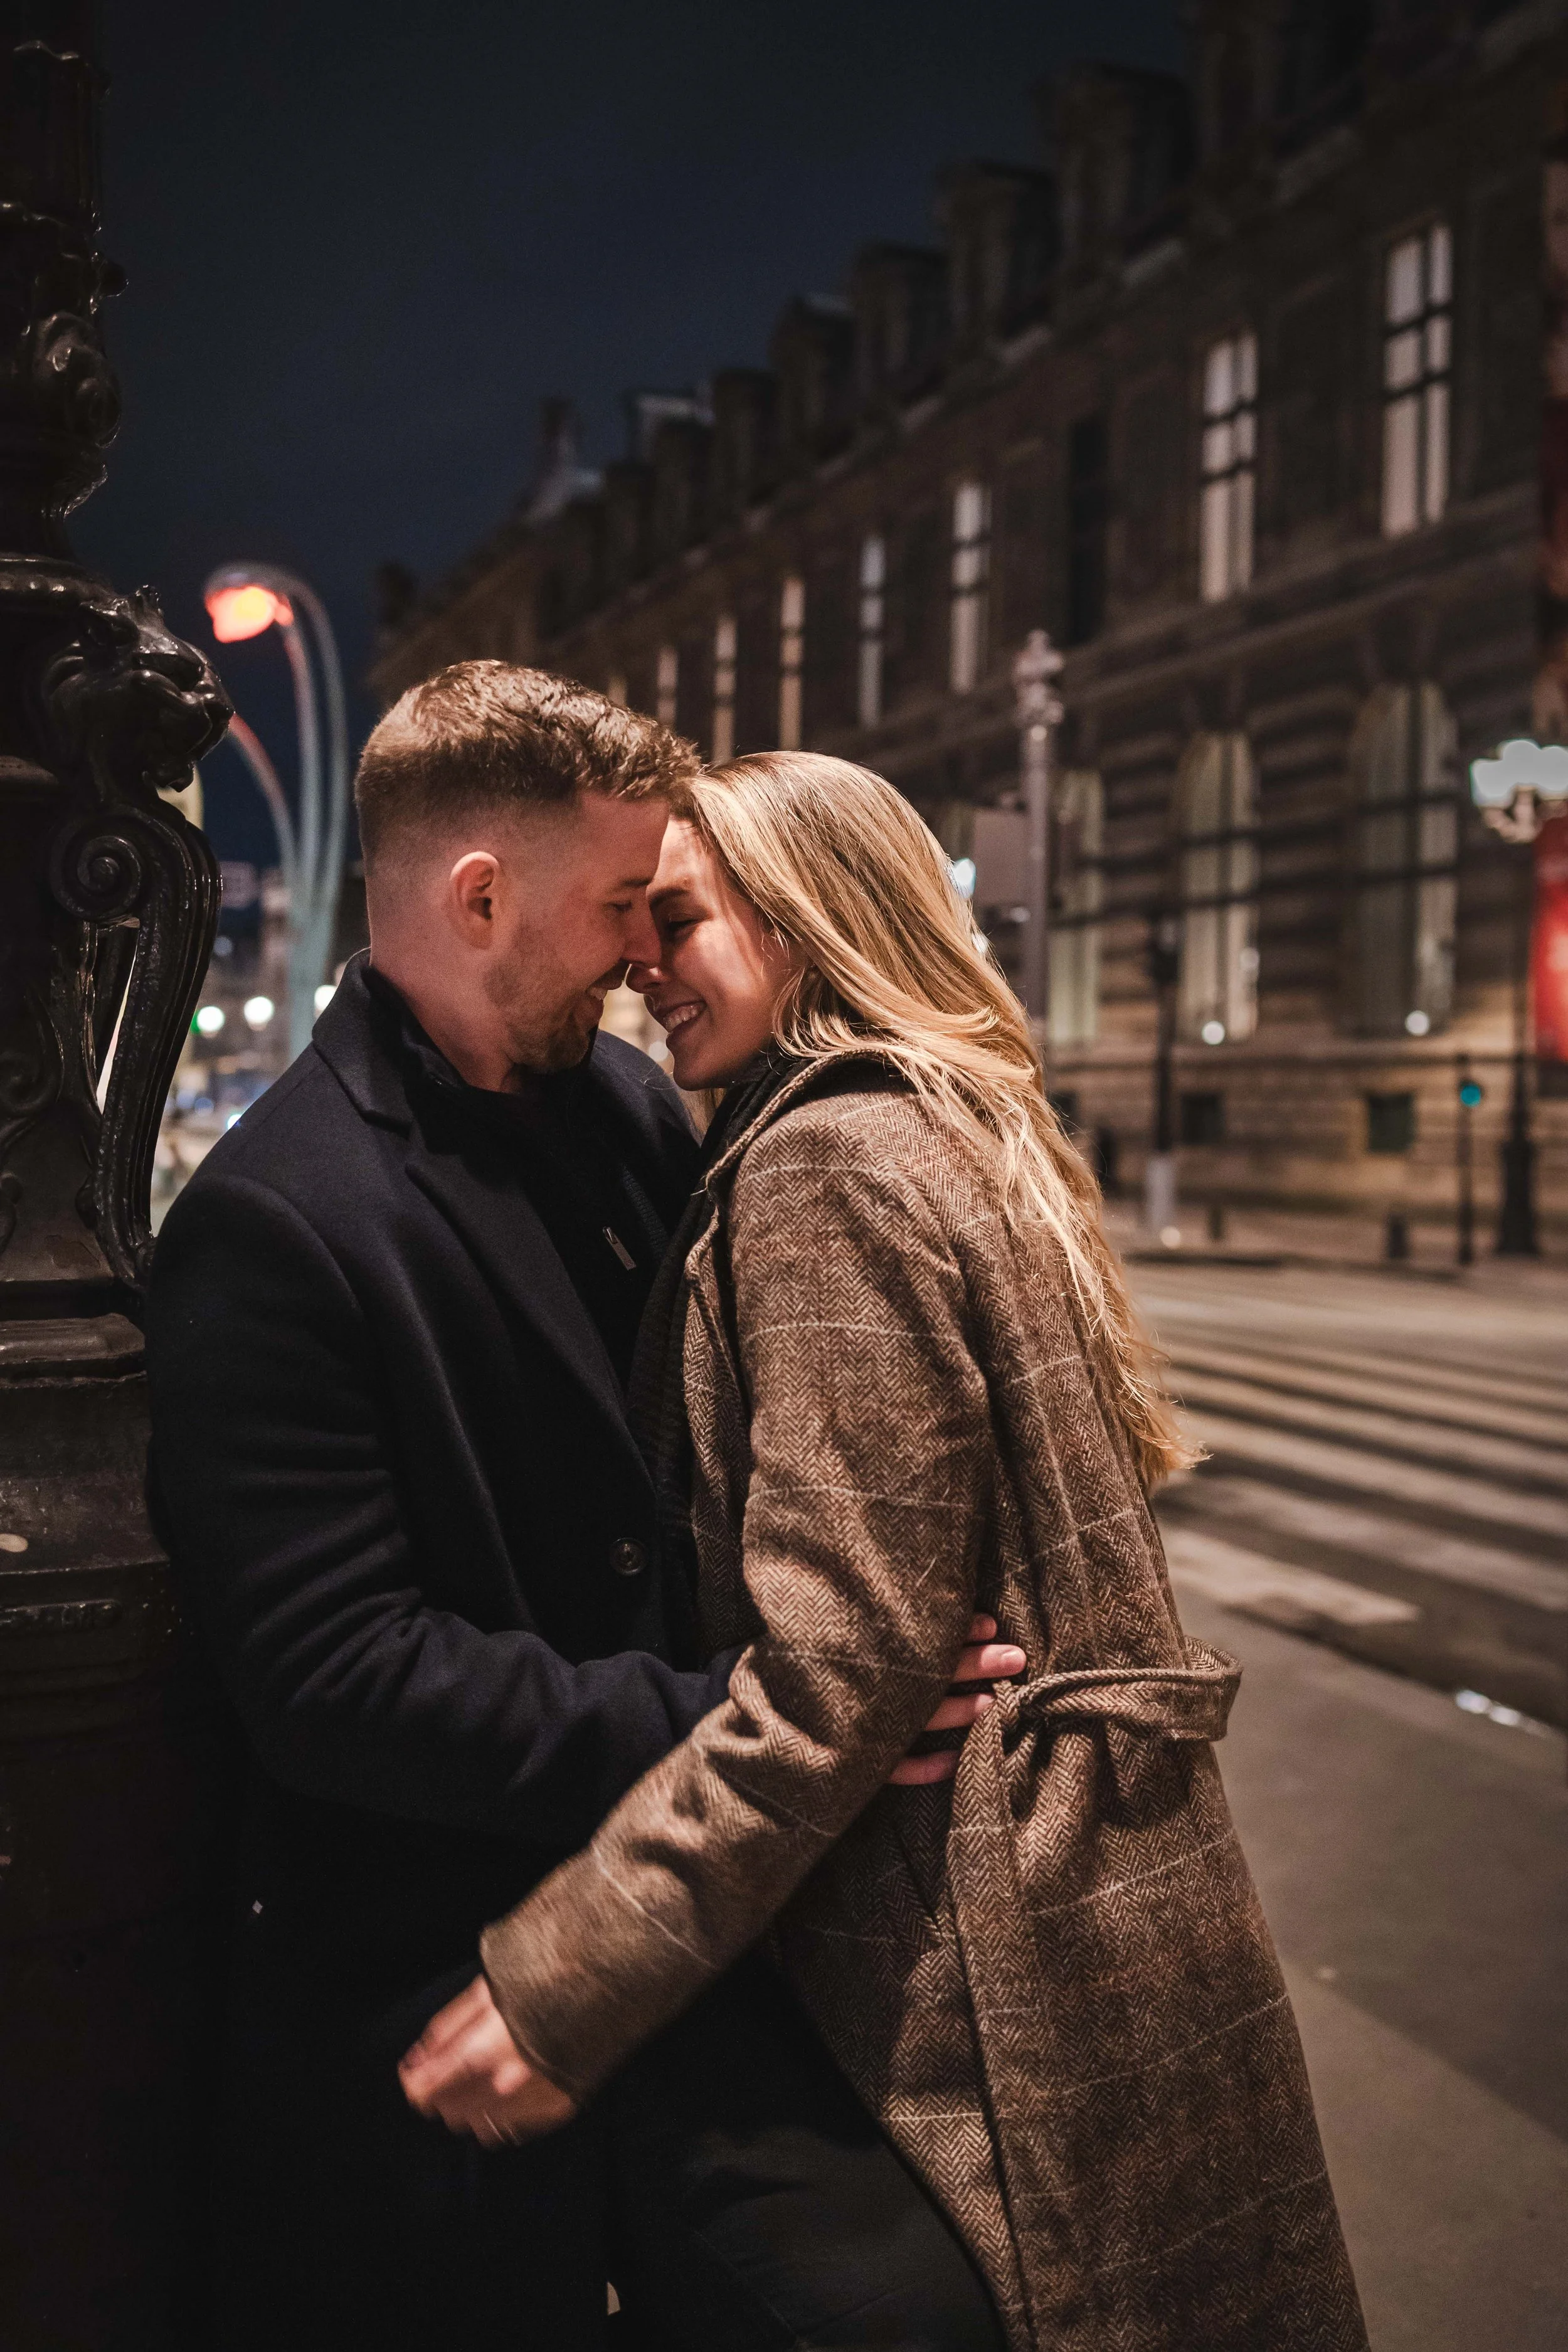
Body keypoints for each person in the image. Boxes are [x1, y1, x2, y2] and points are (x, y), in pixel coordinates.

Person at [402, 752, 1370, 2352]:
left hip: (982, 1923)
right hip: (1103, 1878)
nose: (639, 962)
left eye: (679, 921)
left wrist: (566, 1979)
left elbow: (836, 1674)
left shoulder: (824, 1164)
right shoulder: (945, 1119)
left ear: (802, 921)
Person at [145, 671, 1013, 2351]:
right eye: (621, 902)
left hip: (696, 1908)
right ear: (480, 898)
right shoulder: (278, 1218)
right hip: (455, 1957)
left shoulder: (621, 1106)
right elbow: (340, 1682)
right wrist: (747, 1717)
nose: (638, 950)